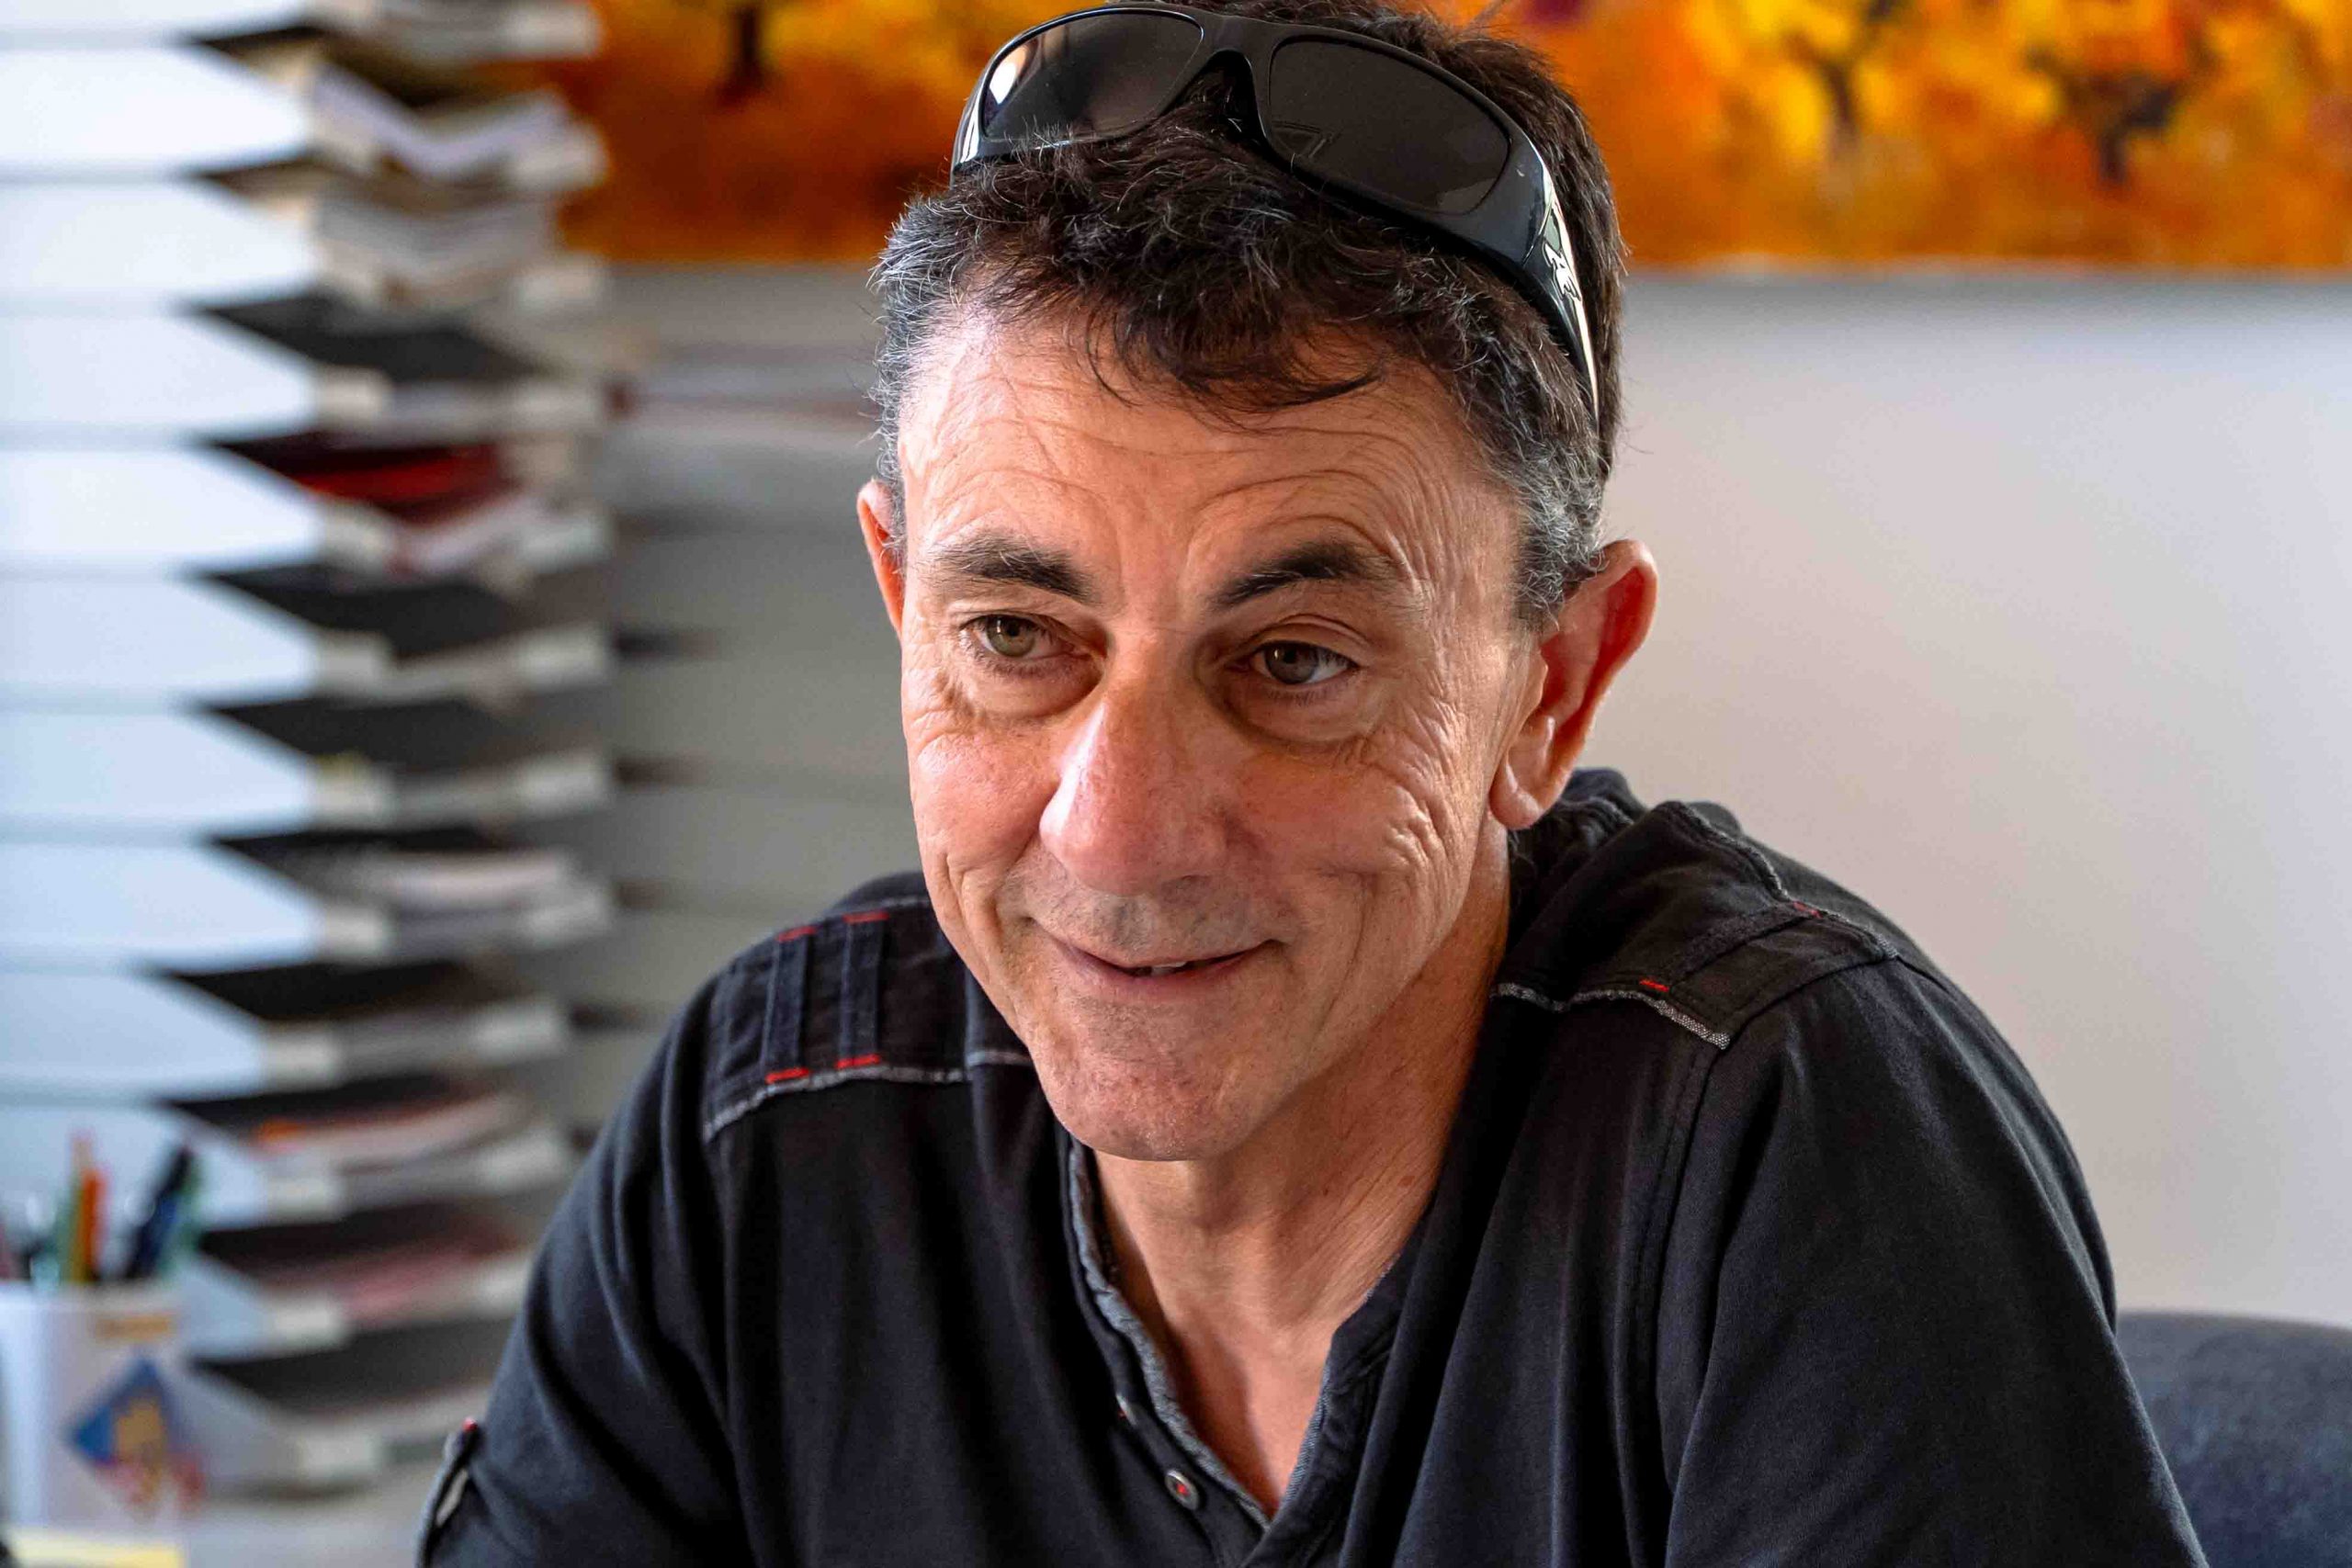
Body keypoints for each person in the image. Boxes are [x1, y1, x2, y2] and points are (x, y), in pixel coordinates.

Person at [418, 2, 2207, 1562]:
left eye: (1291, 663)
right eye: (1017, 637)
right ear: (902, 604)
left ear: (1549, 687)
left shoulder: (1782, 1150)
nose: (1115, 832)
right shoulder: (769, 1129)